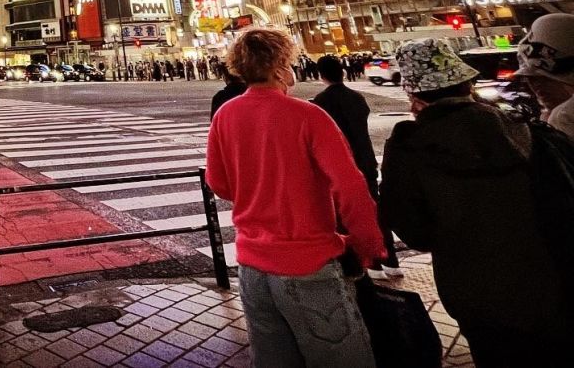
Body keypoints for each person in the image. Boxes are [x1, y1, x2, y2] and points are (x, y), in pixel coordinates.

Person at [380, 39, 572, 365]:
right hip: (548, 279)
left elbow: (415, 233)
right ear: (467, 83)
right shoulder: (522, 129)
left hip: (473, 291)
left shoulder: (409, 148)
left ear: (414, 95)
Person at [206, 27, 382, 367]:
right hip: (308, 263)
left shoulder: (225, 115)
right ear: (278, 67)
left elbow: (219, 183)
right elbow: (350, 186)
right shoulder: (308, 115)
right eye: (289, 63)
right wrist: (368, 244)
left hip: (252, 268)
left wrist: (256, 189)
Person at [312, 54, 402, 280]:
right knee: (376, 210)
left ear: (321, 75)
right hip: (366, 159)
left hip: (342, 162)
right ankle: (390, 260)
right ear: (342, 72)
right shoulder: (356, 97)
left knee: (348, 216)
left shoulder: (320, 102)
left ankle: (368, 263)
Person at [514, 12, 574, 138]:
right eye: (530, 78)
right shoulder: (551, 118)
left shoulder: (564, 117)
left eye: (545, 77)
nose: (536, 85)